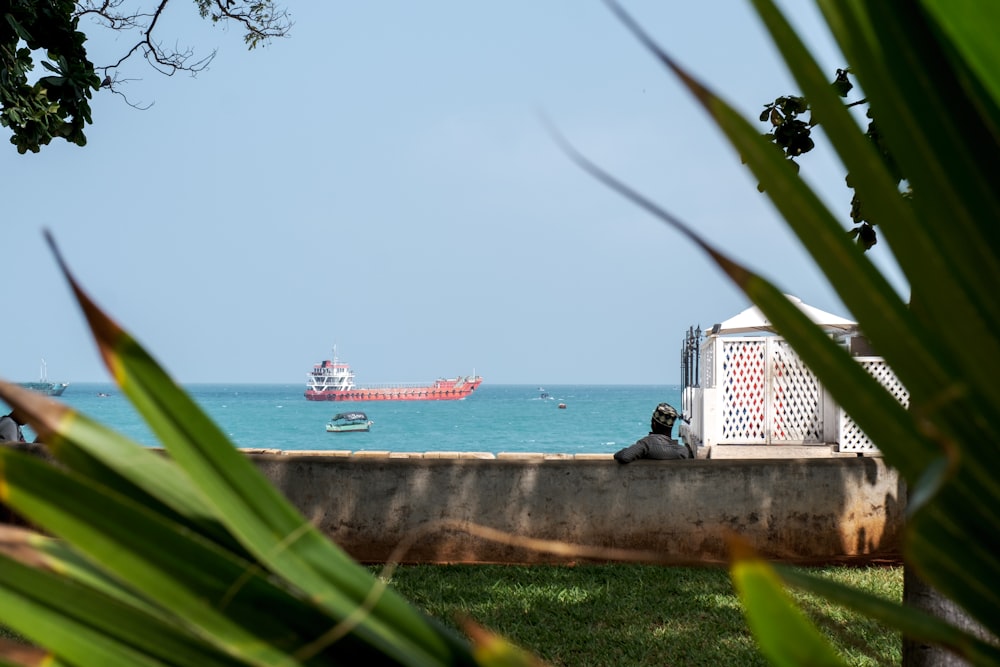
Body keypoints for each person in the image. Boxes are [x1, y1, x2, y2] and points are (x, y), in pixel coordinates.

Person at [614, 402, 693, 463]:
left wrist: (621, 452)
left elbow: (625, 456)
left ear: (654, 424)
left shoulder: (648, 444)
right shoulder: (682, 451)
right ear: (671, 428)